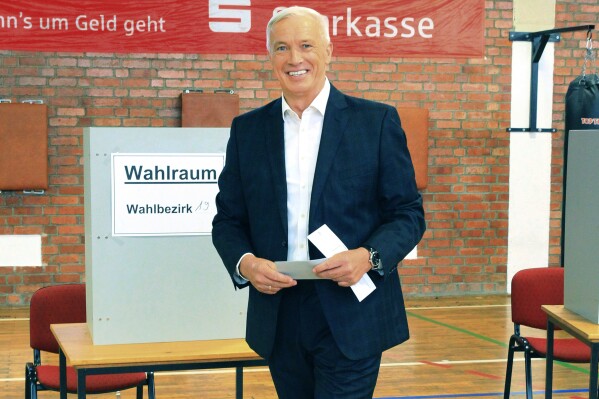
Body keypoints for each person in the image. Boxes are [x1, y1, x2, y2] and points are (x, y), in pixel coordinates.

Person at [212, 6, 426, 398]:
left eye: (306, 45)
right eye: (282, 48)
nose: (295, 59)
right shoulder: (248, 131)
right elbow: (227, 221)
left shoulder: (375, 122)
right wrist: (246, 264)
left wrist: (368, 256)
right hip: (279, 310)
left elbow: (408, 215)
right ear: (270, 57)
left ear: (328, 50)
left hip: (352, 311)